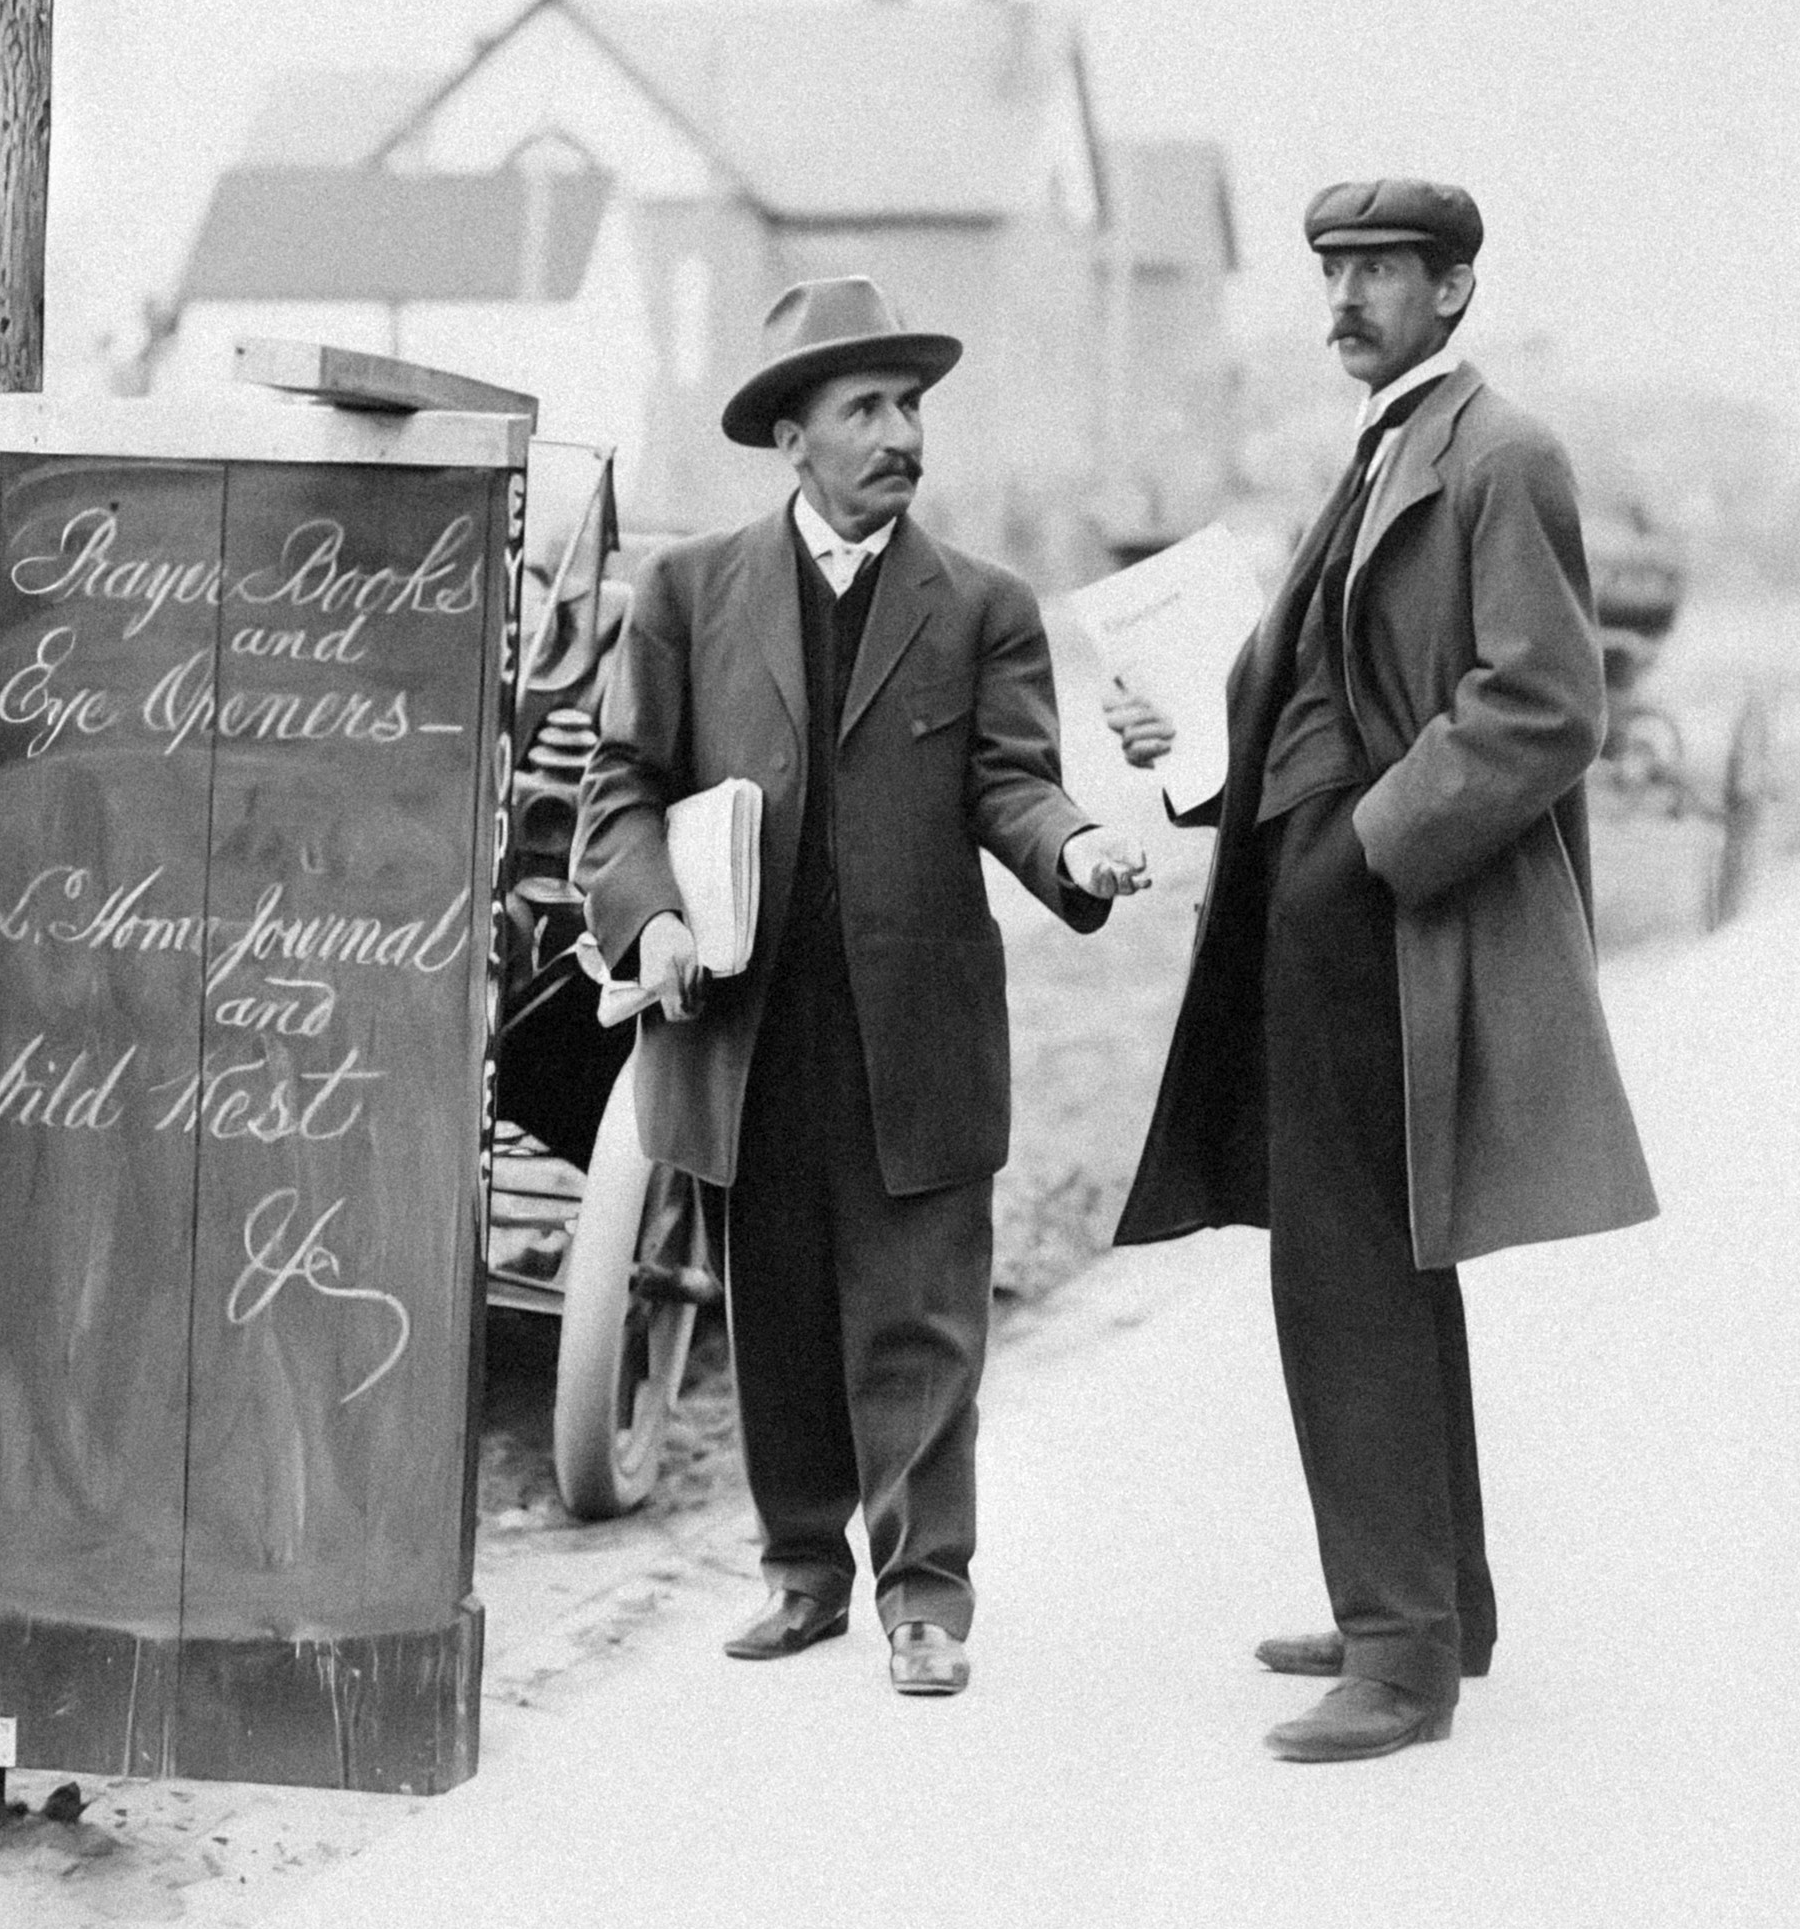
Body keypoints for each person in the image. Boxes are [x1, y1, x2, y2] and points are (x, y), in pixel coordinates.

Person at [1108, 181, 1654, 1762]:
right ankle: (1432, 1610)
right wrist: (1199, 751)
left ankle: (1399, 1658)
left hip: (1377, 915)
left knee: (1345, 1265)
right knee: (1372, 1258)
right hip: (1311, 903)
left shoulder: (1498, 455)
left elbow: (1544, 703)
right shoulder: (1379, 450)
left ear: (1455, 290)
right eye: (1332, 273)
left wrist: (1365, 844)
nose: (1344, 300)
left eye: (1380, 273)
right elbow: (1310, 690)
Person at [575, 276, 1148, 1690]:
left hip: (914, 1025)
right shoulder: (687, 592)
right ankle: (800, 1570)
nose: (901, 435)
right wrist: (645, 919)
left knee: (921, 1313)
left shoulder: (982, 606)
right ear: (792, 435)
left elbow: (1012, 782)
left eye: (910, 407)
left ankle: (926, 1596)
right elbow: (619, 789)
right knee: (771, 1311)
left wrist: (1074, 847)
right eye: (866, 408)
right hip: (743, 1024)